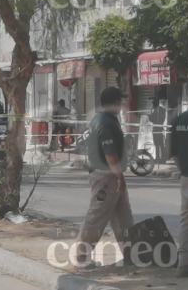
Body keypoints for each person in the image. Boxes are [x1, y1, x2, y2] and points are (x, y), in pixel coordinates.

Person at [75, 87, 134, 268]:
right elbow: (110, 155)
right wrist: (119, 176)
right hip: (106, 177)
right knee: (97, 216)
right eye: (120, 101)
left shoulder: (106, 119)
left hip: (111, 176)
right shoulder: (105, 123)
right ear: (114, 103)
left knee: (123, 217)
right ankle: (82, 257)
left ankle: (131, 255)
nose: (122, 105)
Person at [169, 78, 188, 277]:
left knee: (186, 221)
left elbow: (175, 154)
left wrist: (185, 170)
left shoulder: (179, 120)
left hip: (186, 177)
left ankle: (184, 265)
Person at [149, 97, 167, 164]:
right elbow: (163, 118)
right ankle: (162, 158)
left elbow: (152, 119)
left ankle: (159, 158)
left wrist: (150, 116)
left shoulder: (154, 110)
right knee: (160, 144)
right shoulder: (162, 110)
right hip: (159, 128)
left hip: (157, 128)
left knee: (159, 144)